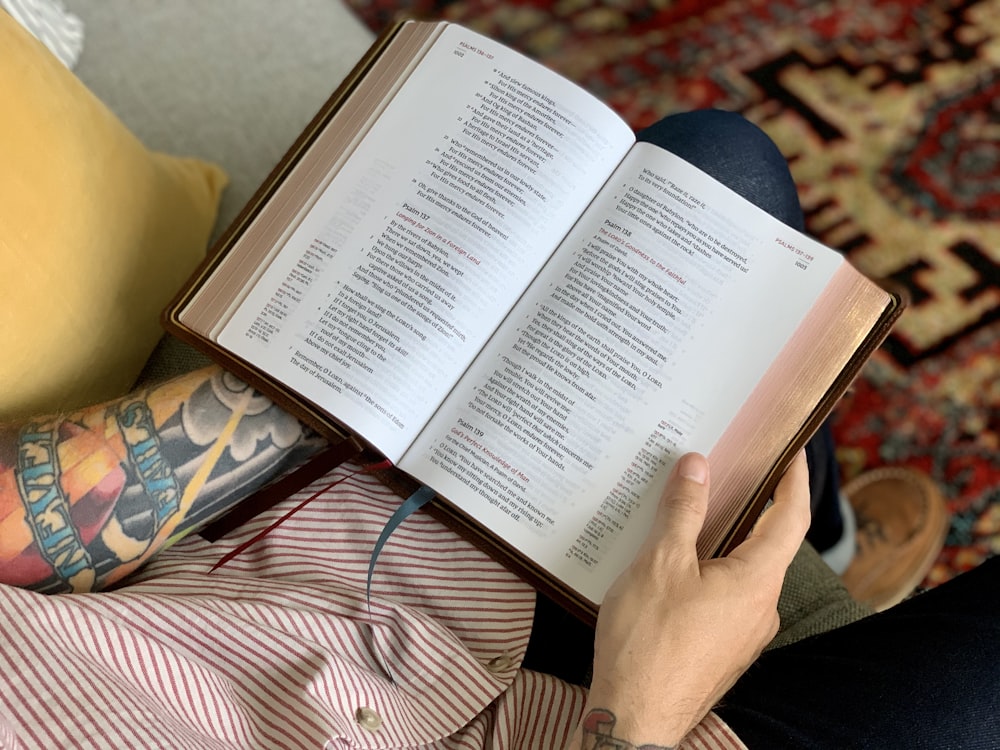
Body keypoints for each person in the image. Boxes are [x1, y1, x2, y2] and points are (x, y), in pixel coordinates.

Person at [0, 110, 994, 749]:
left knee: (710, 170)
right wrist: (639, 715)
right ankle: (792, 577)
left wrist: (335, 375)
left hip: (320, 578)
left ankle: (811, 544)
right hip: (615, 719)